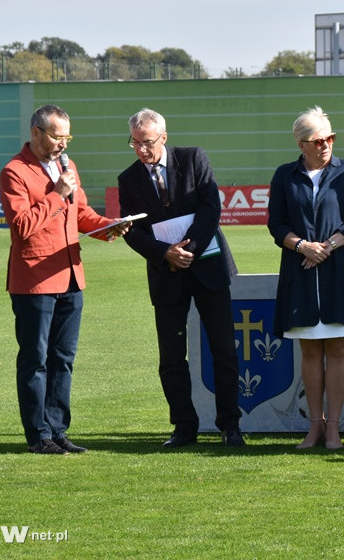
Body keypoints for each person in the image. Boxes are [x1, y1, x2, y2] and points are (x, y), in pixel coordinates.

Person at [0, 104, 130, 455]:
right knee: (35, 360)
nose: (63, 144)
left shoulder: (67, 166)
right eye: (58, 137)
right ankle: (37, 435)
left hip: (71, 277)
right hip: (35, 282)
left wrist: (108, 227)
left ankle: (58, 431)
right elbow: (23, 227)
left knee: (63, 359)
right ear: (37, 133)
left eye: (67, 137)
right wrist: (56, 193)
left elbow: (81, 214)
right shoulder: (15, 172)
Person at [118, 108, 244, 448]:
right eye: (135, 142)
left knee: (223, 350)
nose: (142, 150)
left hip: (208, 267)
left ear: (164, 137)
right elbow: (132, 231)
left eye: (147, 142)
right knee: (172, 357)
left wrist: (190, 248)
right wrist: (165, 253)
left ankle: (230, 425)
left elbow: (210, 208)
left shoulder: (193, 159)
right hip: (166, 275)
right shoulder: (127, 179)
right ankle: (184, 427)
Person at [267, 107, 344, 450]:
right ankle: (315, 426)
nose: (326, 144)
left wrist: (325, 247)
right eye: (318, 140)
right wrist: (301, 246)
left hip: (341, 272)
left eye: (330, 138)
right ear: (301, 144)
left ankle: (334, 429)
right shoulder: (284, 175)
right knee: (310, 352)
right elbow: (276, 224)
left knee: (339, 349)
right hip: (300, 274)